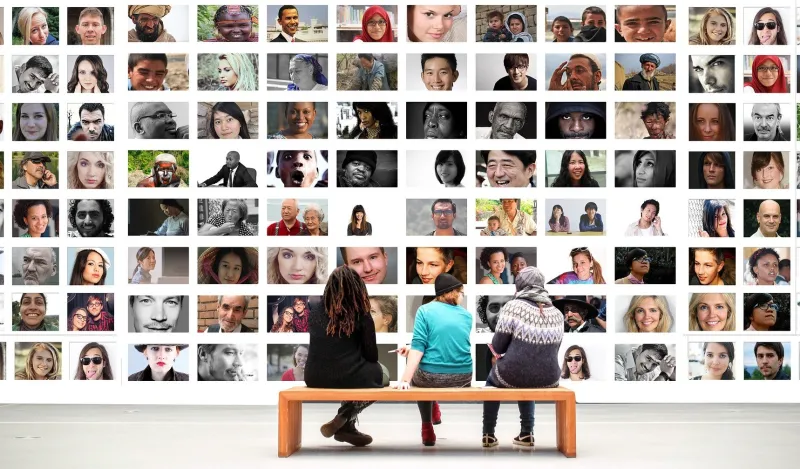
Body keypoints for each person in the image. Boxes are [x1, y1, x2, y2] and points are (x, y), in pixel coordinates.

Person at [306, 267, 392, 447]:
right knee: (383, 375)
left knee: (352, 377)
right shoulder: (361, 313)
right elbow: (371, 355)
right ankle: (345, 415)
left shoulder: (314, 311)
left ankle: (347, 428)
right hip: (349, 374)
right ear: (357, 287)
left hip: (314, 377)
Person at [479, 266, 563, 448]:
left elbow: (498, 346)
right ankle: (526, 433)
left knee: (493, 383)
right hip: (550, 378)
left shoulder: (513, 307)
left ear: (520, 285)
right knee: (529, 374)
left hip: (513, 374)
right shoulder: (557, 313)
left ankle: (488, 434)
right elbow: (554, 351)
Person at [394, 273, 472, 447]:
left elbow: (419, 348)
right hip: (463, 377)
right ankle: (434, 407)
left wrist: (405, 380)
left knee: (419, 368)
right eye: (461, 293)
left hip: (431, 378)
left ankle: (427, 427)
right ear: (453, 292)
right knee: (418, 355)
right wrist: (412, 348)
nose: (462, 296)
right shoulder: (467, 316)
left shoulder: (425, 310)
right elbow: (446, 344)